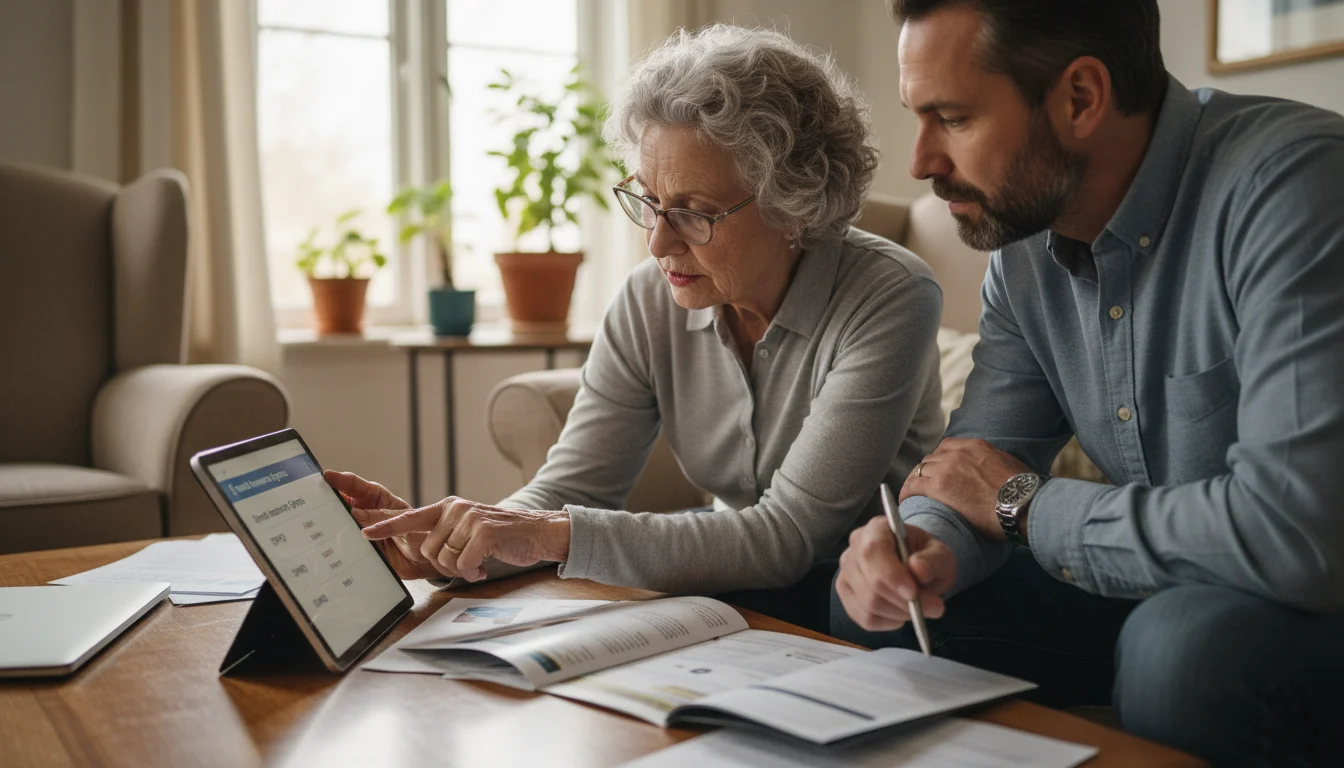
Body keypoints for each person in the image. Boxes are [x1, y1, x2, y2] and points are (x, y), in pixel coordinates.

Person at [832, 0, 1344, 764]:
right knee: (886, 615)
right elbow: (976, 461)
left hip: (1310, 587)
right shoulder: (1024, 250)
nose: (922, 162)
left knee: (1180, 655)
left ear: (1080, 98)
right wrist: (919, 546)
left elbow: (1294, 533)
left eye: (954, 118)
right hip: (1170, 578)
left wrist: (1024, 505)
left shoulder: (1294, 187)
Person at [329, 24, 945, 633]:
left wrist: (547, 535)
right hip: (722, 599)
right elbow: (570, 488)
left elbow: (787, 538)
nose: (657, 242)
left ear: (794, 204)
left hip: (864, 607)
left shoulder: (890, 297)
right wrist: (451, 541)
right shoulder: (650, 299)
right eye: (649, 201)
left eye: (694, 214)